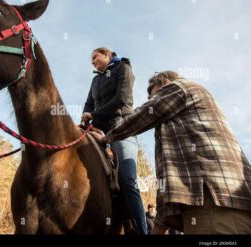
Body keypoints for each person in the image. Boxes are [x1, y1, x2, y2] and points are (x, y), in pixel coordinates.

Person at [90, 71, 251, 234]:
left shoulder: (179, 87)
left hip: (214, 201)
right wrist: (160, 225)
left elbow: (143, 115)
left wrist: (106, 138)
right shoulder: (183, 115)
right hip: (214, 203)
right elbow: (179, 172)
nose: (148, 98)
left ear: (164, 82)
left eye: (150, 91)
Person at [81, 47, 147, 234]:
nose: (92, 61)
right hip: (97, 130)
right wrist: (84, 120)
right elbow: (88, 104)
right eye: (91, 59)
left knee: (127, 180)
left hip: (121, 130)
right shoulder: (95, 80)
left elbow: (121, 99)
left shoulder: (123, 69)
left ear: (107, 55)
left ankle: (141, 230)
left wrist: (93, 114)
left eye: (95, 57)